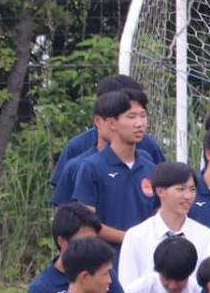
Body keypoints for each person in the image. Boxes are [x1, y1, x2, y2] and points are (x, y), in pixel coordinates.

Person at [49, 73, 164, 204]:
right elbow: (64, 203)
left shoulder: (148, 148)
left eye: (141, 114)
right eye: (130, 114)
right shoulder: (78, 150)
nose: (138, 123)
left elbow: (162, 192)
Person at [67, 88, 156, 244]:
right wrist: (130, 239)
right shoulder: (91, 167)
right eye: (131, 117)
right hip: (107, 261)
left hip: (146, 260)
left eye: (143, 116)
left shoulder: (150, 166)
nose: (139, 123)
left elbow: (158, 213)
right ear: (112, 123)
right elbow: (87, 224)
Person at [29, 204, 131, 293]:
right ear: (62, 242)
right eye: (84, 242)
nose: (91, 248)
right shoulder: (41, 287)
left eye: (94, 241)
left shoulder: (104, 274)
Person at [118, 162, 210, 287]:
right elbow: (127, 287)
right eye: (181, 189)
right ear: (160, 191)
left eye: (192, 189)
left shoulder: (207, 237)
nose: (188, 196)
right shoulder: (136, 236)